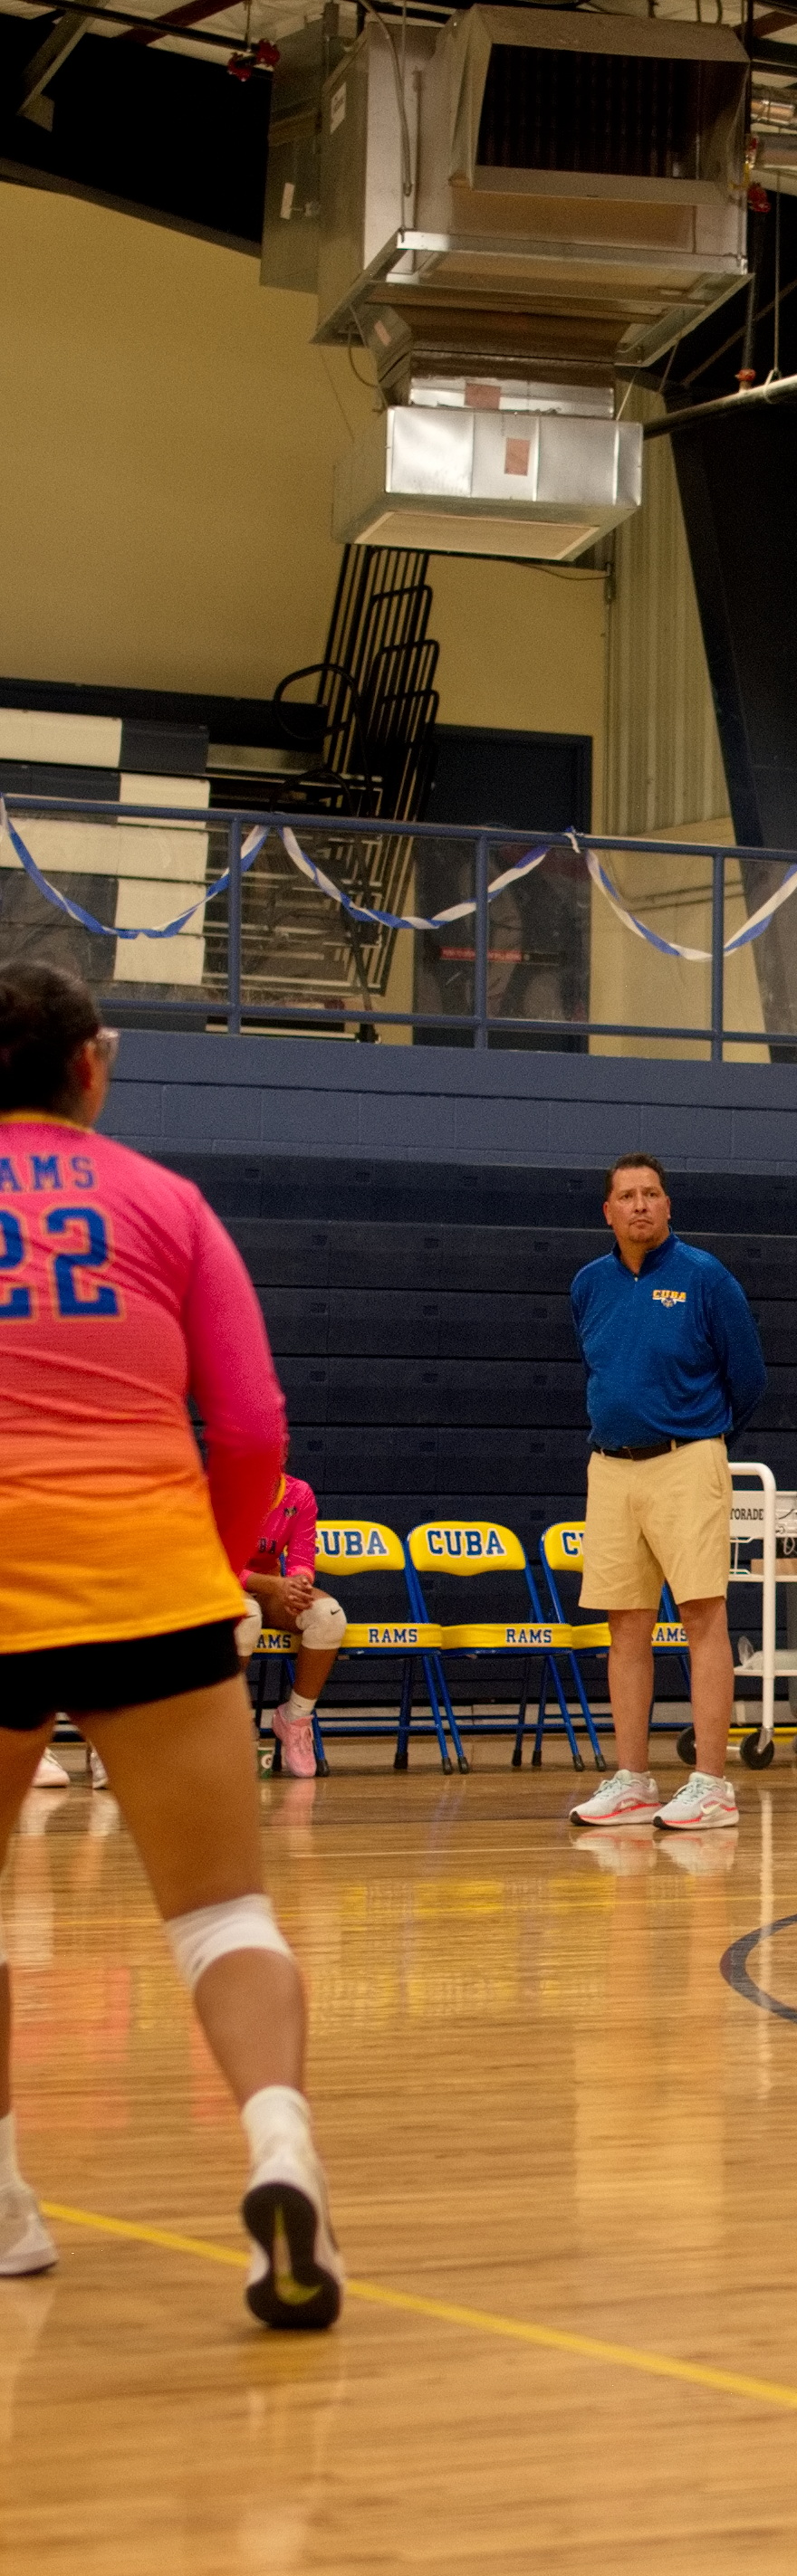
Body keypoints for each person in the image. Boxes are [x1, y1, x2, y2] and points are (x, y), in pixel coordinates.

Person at [0, 961, 342, 2328]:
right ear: (94, 1064)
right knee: (220, 1915)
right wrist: (209, 1559)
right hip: (153, 1584)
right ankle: (279, 2145)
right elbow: (254, 1425)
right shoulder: (165, 1202)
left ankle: (9, 2201)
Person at [568, 1151, 767, 1835]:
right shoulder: (588, 1284)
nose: (641, 1205)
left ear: (668, 1205)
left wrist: (702, 1441)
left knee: (702, 1615)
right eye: (627, 1195)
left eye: (652, 1193)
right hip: (609, 1468)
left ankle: (711, 1785)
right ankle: (633, 1780)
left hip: (687, 1461)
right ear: (609, 1211)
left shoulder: (705, 1277)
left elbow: (749, 1379)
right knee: (625, 1622)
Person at [235, 1468, 347, 1779]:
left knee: (328, 1616)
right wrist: (278, 1587)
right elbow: (218, 1564)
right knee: (246, 1617)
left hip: (271, 1586)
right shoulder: (218, 1487)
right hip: (218, 1587)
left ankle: (294, 1719)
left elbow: (301, 1557)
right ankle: (231, 1722)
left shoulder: (299, 1494)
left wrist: (298, 1584)